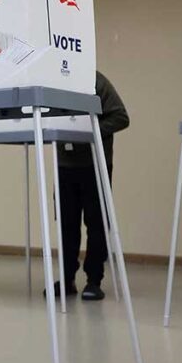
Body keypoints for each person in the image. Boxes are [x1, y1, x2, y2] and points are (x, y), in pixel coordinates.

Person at [45, 71, 129, 301]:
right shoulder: (54, 81)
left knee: (97, 223)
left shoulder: (96, 80)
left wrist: (89, 132)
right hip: (63, 164)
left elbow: (121, 117)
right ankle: (67, 278)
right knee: (65, 223)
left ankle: (94, 280)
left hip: (95, 164)